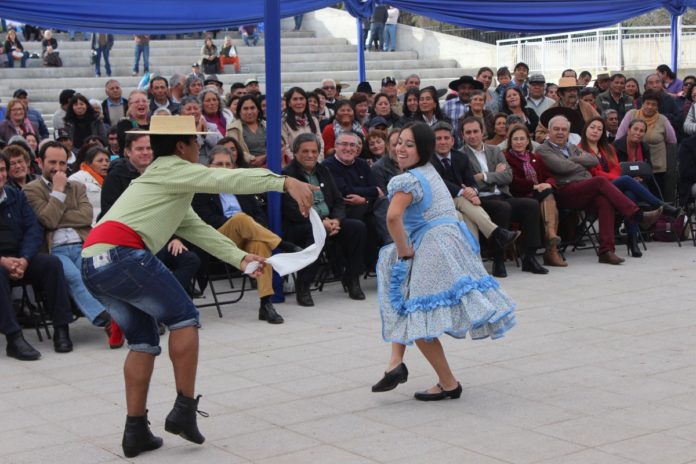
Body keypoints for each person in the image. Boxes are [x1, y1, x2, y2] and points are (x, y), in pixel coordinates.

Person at [80, 115, 315, 458]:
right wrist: (283, 182)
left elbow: (196, 228)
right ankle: (184, 411)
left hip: (93, 263)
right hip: (122, 256)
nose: (200, 149)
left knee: (143, 342)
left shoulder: (163, 179)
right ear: (181, 146)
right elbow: (225, 177)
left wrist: (240, 259)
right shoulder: (172, 169)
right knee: (184, 318)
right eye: (197, 143)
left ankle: (135, 432)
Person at [371, 121, 515, 400]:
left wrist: (402, 251)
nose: (401, 148)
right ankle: (395, 363)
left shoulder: (407, 179)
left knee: (421, 319)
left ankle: (448, 383)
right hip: (449, 241)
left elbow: (392, 217)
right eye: (399, 141)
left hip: (432, 246)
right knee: (405, 301)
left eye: (409, 144)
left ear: (423, 149)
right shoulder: (429, 171)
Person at [192, 146, 300, 324]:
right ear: (209, 166)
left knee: (261, 245)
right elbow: (208, 221)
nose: (224, 168)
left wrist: (250, 228)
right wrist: (239, 224)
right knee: (240, 218)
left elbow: (259, 216)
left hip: (247, 237)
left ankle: (266, 304)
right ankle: (283, 245)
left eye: (228, 164)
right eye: (219, 164)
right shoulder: (201, 190)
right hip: (218, 238)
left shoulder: (241, 187)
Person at [535, 115, 661, 265]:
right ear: (549, 131)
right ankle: (637, 215)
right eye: (556, 129)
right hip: (564, 191)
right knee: (601, 181)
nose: (560, 132)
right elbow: (561, 168)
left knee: (604, 201)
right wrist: (579, 162)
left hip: (584, 188)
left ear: (569, 132)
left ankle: (606, 252)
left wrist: (572, 160)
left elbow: (593, 160)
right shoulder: (543, 149)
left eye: (564, 129)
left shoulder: (571, 147)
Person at [23, 141, 112, 333]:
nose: (58, 168)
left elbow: (86, 216)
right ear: (40, 162)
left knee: (99, 275)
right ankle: (106, 319)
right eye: (52, 162)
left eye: (62, 163)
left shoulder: (78, 187)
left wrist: (57, 214)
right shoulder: (31, 190)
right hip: (54, 249)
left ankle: (123, 316)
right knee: (74, 277)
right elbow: (47, 220)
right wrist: (58, 191)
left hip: (82, 243)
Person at [0, 152, 74, 360]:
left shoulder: (15, 195)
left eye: (3, 170)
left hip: (20, 258)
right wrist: (3, 261)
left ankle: (62, 329)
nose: (1, 175)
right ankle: (13, 338)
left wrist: (24, 259)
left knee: (51, 264)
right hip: (1, 262)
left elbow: (33, 230)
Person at [282, 133, 367, 306]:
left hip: (328, 221)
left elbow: (338, 200)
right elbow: (291, 209)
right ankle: (303, 285)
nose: (310, 155)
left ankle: (351, 279)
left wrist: (337, 220)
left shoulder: (323, 170)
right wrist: (321, 224)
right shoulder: (288, 175)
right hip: (302, 224)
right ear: (295, 152)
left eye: (314, 151)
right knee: (316, 233)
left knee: (358, 227)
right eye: (305, 151)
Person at [460, 117, 547, 276]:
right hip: (479, 202)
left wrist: (484, 176)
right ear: (462, 135)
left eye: (476, 131)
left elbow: (508, 176)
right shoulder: (461, 156)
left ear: (482, 132)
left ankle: (530, 257)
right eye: (468, 132)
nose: (473, 135)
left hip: (503, 196)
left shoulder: (495, 150)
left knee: (531, 205)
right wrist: (494, 176)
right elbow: (469, 183)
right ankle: (499, 260)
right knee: (503, 208)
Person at [579, 117, 676, 257]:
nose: (596, 131)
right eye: (592, 127)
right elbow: (594, 173)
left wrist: (617, 177)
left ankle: (633, 240)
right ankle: (661, 206)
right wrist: (618, 178)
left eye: (599, 129)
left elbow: (616, 168)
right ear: (585, 129)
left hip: (612, 185)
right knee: (627, 180)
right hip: (596, 187)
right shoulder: (580, 149)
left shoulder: (606, 148)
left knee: (631, 194)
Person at [430, 122, 519, 251]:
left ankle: (475, 260)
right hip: (439, 201)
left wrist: (473, 191)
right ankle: (497, 233)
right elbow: (440, 182)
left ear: (453, 140)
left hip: (463, 200)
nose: (443, 142)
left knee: (469, 219)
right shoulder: (428, 160)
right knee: (464, 201)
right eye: (438, 139)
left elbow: (471, 181)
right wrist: (465, 192)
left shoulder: (460, 157)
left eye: (446, 138)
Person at [504, 124, 565, 266]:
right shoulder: (506, 158)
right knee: (547, 196)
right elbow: (512, 181)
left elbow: (549, 176)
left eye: (522, 139)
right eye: (515, 139)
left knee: (548, 193)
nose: (519, 142)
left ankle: (551, 238)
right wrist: (534, 186)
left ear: (527, 141)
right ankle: (551, 243)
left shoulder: (535, 157)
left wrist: (548, 183)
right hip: (520, 195)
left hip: (539, 194)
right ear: (510, 142)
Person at [323, 131, 384, 271]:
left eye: (352, 145)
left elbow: (377, 189)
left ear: (358, 149)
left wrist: (364, 199)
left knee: (379, 210)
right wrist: (371, 193)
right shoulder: (328, 165)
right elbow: (344, 192)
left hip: (365, 207)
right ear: (335, 147)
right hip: (341, 212)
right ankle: (371, 264)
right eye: (344, 144)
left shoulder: (362, 164)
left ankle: (379, 260)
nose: (349, 148)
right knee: (371, 218)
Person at [616, 89, 677, 195]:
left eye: (654, 104)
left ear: (658, 106)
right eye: (647, 103)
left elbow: (672, 141)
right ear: (642, 103)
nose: (650, 107)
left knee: (655, 194)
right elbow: (619, 137)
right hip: (631, 167)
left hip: (657, 167)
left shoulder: (663, 120)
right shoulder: (631, 114)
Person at [536, 77, 598, 142]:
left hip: (585, 146)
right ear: (560, 94)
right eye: (569, 91)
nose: (572, 93)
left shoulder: (585, 106)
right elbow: (539, 134)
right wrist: (554, 138)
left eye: (574, 90)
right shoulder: (552, 110)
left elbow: (599, 123)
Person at [68, 145, 110, 225]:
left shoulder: (111, 179)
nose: (105, 164)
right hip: (87, 226)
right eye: (100, 161)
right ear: (89, 163)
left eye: (107, 161)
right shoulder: (77, 178)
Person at [176, 96, 221, 166]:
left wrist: (205, 134)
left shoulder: (211, 127)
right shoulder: (177, 129)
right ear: (181, 113)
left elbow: (220, 145)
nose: (193, 111)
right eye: (189, 109)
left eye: (196, 108)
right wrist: (198, 135)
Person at [282, 87, 324, 159]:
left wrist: (317, 160)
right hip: (294, 165)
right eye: (295, 99)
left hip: (315, 163)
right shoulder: (283, 123)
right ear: (289, 103)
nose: (299, 102)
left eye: (301, 99)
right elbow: (286, 148)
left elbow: (320, 143)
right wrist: (300, 163)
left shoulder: (314, 120)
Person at [227, 95, 266, 166]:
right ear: (239, 111)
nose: (249, 112)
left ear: (258, 110)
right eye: (245, 108)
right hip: (246, 167)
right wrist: (253, 159)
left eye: (252, 108)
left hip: (271, 164)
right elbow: (234, 150)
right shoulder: (233, 128)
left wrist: (266, 157)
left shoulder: (267, 125)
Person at [116, 90, 150, 154]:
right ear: (130, 105)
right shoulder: (124, 123)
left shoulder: (153, 123)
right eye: (137, 102)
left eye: (144, 101)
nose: (141, 104)